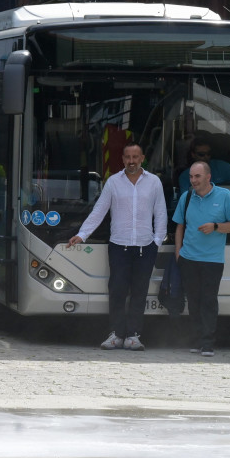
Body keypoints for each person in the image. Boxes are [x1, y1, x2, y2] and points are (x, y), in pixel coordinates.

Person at [67, 142, 166, 351]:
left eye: (135, 157)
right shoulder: (113, 182)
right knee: (117, 291)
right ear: (122, 159)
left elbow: (161, 213)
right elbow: (99, 211)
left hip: (145, 246)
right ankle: (115, 334)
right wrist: (82, 235)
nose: (131, 161)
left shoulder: (154, 182)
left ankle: (134, 335)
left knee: (140, 292)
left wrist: (157, 241)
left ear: (142, 159)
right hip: (119, 246)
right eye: (127, 157)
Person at [173, 160, 230, 357]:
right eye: (191, 177)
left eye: (197, 176)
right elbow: (179, 226)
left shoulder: (225, 196)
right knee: (193, 301)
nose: (193, 180)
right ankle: (196, 339)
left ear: (208, 177)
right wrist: (178, 251)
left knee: (208, 301)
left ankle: (208, 342)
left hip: (213, 260)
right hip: (188, 258)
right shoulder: (187, 197)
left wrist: (216, 227)